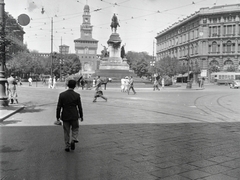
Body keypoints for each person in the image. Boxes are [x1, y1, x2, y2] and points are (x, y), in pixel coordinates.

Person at [56, 80, 84, 152]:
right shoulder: (77, 95)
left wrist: (58, 117)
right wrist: (81, 116)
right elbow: (80, 107)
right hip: (74, 114)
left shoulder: (62, 95)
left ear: (68, 85)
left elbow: (59, 107)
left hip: (65, 115)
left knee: (66, 131)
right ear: (75, 86)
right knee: (75, 128)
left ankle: (67, 145)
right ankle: (74, 139)